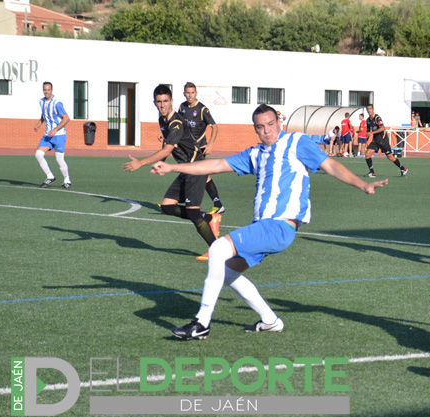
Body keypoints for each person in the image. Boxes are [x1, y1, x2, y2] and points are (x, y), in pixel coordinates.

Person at [150, 104, 388, 340]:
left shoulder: (296, 142)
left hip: (279, 226)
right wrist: (173, 167)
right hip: (264, 229)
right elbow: (216, 165)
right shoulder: (255, 154)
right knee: (227, 273)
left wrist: (363, 184)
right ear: (255, 129)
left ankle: (202, 322)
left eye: (271, 124)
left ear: (279, 123)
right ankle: (270, 320)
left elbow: (330, 165)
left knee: (218, 248)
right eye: (261, 127)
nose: (267, 130)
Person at [123, 85, 222, 261]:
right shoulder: (163, 120)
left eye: (166, 101)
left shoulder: (176, 122)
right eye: (159, 102)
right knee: (168, 206)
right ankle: (209, 217)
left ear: (172, 102)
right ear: (155, 103)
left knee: (192, 213)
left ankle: (217, 250)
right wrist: (162, 164)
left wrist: (142, 163)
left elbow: (168, 148)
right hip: (184, 168)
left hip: (196, 167)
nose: (162, 105)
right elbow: (167, 148)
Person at [178, 82, 225, 214]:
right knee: (199, 174)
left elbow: (215, 127)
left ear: (196, 93)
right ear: (184, 94)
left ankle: (182, 200)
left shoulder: (202, 109)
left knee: (193, 173)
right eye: (187, 93)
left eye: (192, 93)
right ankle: (217, 203)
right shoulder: (182, 108)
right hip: (187, 148)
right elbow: (178, 123)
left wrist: (210, 144)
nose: (190, 95)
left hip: (199, 148)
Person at [33, 82, 71, 188]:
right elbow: (44, 114)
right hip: (47, 135)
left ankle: (67, 180)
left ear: (52, 90)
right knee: (38, 155)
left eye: (48, 90)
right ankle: (50, 176)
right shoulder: (41, 101)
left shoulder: (57, 103)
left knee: (59, 159)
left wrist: (55, 129)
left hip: (59, 135)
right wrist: (39, 124)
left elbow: (66, 118)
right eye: (45, 90)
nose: (46, 92)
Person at [364, 104, 408, 178]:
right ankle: (372, 173)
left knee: (390, 157)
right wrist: (367, 140)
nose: (369, 110)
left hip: (383, 140)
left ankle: (403, 169)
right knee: (367, 154)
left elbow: (382, 128)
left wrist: (372, 133)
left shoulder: (377, 118)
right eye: (368, 109)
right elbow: (368, 131)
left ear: (373, 109)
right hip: (375, 140)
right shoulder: (368, 120)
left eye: (370, 109)